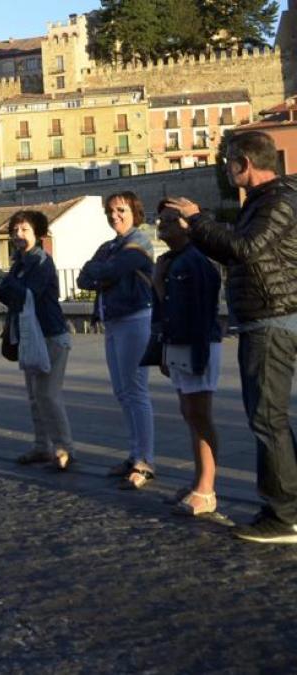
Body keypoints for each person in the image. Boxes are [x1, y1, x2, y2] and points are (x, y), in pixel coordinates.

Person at [165, 130, 297, 541]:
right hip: (266, 316)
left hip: (272, 317)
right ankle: (286, 506)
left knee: (267, 418)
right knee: (269, 417)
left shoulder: (277, 201)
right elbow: (234, 251)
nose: (225, 169)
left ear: (245, 164)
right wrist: (199, 229)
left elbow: (245, 249)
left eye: (228, 162)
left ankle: (285, 515)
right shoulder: (263, 201)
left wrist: (198, 219)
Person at [78, 192, 156, 489]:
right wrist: (104, 274)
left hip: (135, 319)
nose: (115, 216)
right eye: (110, 211)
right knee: (122, 392)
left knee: (136, 391)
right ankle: (134, 454)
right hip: (112, 321)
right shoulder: (109, 246)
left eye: (121, 210)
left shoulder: (139, 242)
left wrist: (102, 273)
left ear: (135, 212)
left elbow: (107, 270)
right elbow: (83, 279)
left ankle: (144, 461)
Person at [150, 202, 223, 516]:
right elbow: (166, 307)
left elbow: (203, 310)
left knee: (199, 414)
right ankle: (198, 482)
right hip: (179, 342)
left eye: (171, 218)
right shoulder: (170, 261)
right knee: (190, 413)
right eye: (161, 218)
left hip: (197, 343)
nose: (162, 223)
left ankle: (206, 488)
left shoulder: (196, 261)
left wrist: (198, 355)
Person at [0, 210, 76, 470]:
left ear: (38, 233)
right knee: (35, 396)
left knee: (48, 394)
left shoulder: (40, 261)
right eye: (15, 230)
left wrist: (0, 277)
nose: (18, 234)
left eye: (24, 229)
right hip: (31, 335)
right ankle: (42, 447)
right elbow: (13, 299)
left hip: (51, 334)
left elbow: (29, 294)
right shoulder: (20, 262)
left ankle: (64, 449)